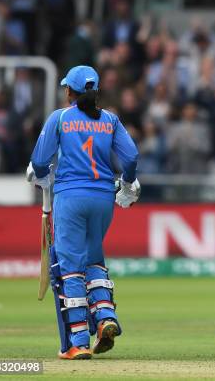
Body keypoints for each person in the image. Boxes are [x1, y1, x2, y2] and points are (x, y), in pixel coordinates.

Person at [27, 65, 140, 360]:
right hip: (103, 198)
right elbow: (131, 156)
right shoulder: (110, 120)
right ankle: (105, 316)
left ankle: (77, 340)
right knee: (93, 259)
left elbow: (40, 160)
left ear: (69, 91)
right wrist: (127, 183)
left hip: (70, 197)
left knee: (70, 267)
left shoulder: (61, 118)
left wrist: (41, 175)